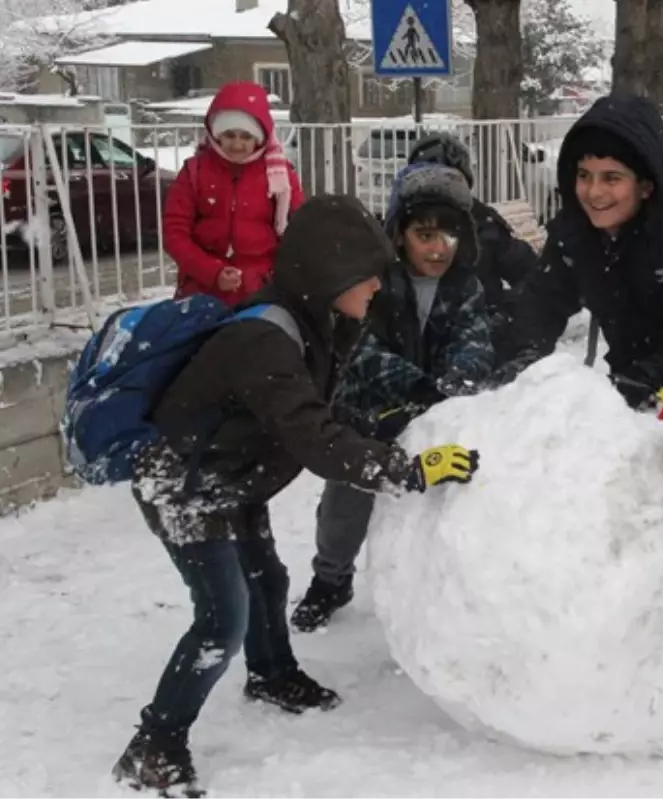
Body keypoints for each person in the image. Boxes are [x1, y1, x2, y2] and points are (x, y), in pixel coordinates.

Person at [111, 195, 481, 797]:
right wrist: (407, 470)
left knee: (268, 581)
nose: (376, 290)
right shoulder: (266, 339)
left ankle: (272, 674)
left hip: (235, 478)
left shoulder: (317, 322)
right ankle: (155, 744)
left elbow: (323, 413)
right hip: (184, 484)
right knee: (219, 620)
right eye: (367, 278)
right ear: (330, 274)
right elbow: (314, 437)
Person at [496, 93, 663, 665]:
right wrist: (510, 370)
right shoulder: (577, 233)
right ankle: (644, 603)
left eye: (612, 177)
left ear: (645, 184)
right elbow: (540, 305)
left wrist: (631, 387)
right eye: (584, 174)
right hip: (637, 363)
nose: (594, 191)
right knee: (643, 487)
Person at [290, 164, 493, 631]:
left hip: (436, 415)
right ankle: (331, 579)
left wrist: (452, 385)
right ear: (399, 234)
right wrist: (413, 385)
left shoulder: (466, 288)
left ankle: (440, 598)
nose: (438, 247)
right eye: (424, 234)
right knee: (344, 511)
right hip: (368, 419)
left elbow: (474, 341)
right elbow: (361, 349)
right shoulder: (374, 282)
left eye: (449, 235)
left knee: (447, 509)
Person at [164, 81, 303, 307]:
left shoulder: (280, 176)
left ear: (259, 138)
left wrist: (272, 276)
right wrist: (212, 272)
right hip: (202, 290)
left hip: (262, 292)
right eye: (229, 135)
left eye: (246, 137)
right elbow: (175, 234)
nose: (237, 145)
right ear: (216, 135)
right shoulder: (194, 172)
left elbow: (296, 234)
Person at [407, 133, 539, 351]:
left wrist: (503, 315)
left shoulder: (484, 225)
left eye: (447, 183)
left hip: (481, 345)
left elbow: (532, 275)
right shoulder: (401, 228)